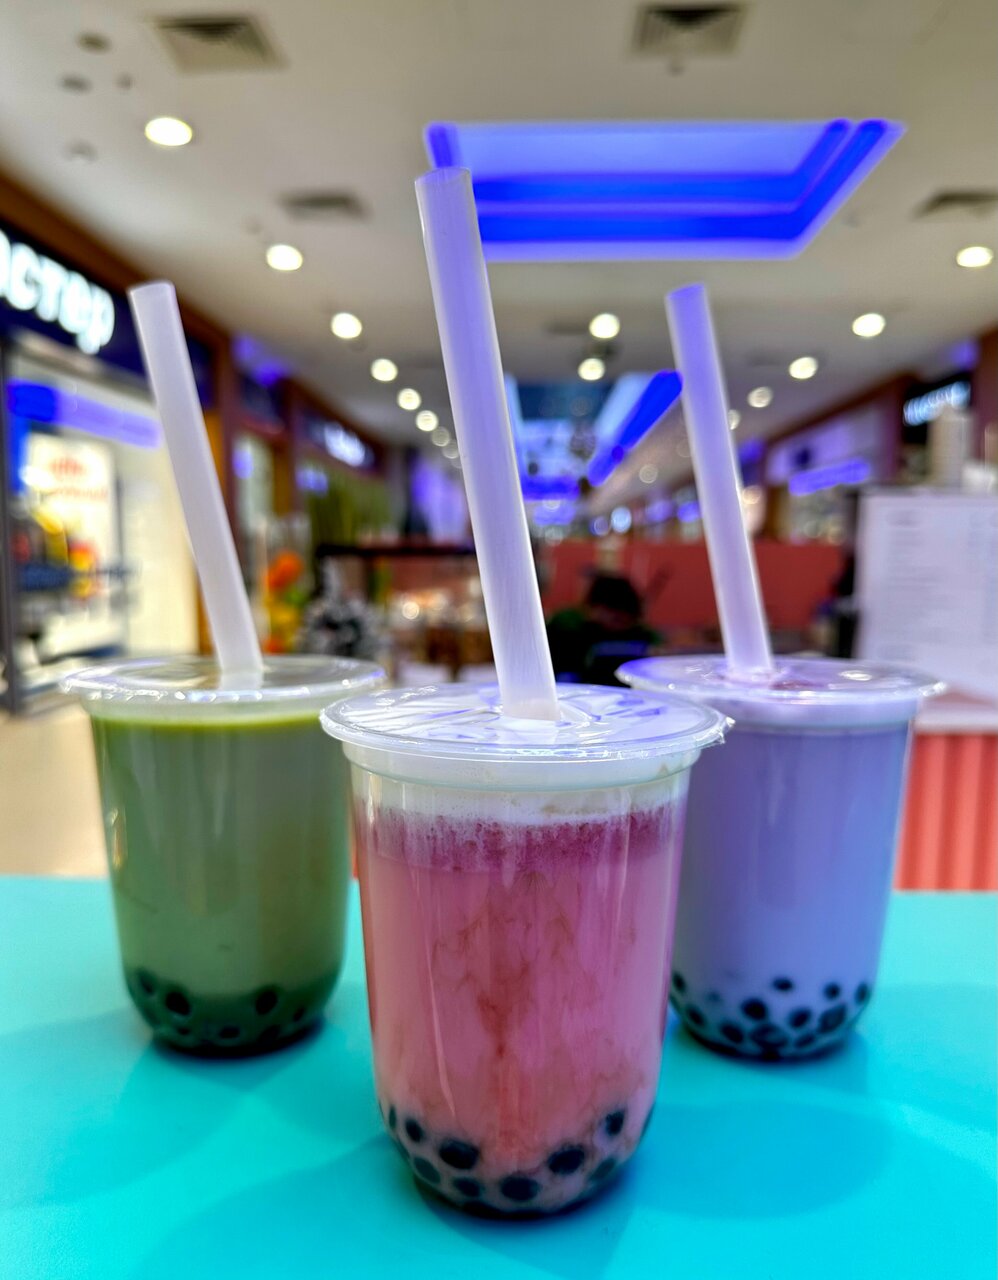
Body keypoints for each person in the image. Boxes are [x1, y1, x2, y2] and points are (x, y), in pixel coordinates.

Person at [546, 573, 661, 685]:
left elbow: (657, 648)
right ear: (595, 608)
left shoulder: (640, 636)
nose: (619, 627)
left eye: (626, 621)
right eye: (616, 619)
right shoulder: (568, 629)